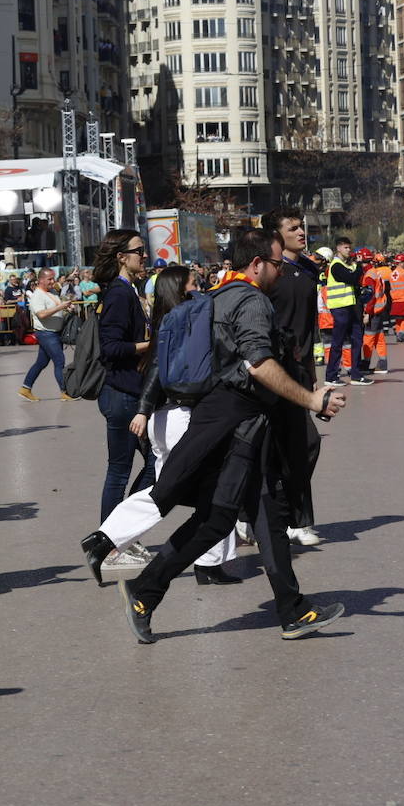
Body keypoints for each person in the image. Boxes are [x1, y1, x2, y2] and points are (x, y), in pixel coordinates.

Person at [118, 229, 349, 643]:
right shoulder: (252, 300)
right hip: (240, 427)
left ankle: (289, 609)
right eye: (278, 264)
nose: (282, 271)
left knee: (247, 518)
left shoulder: (219, 296)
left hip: (228, 423)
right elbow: (258, 364)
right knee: (228, 518)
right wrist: (312, 401)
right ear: (258, 263)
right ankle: (146, 589)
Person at [80, 266, 239, 583]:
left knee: (210, 489)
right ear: (180, 290)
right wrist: (143, 409)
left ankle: (209, 563)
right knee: (172, 492)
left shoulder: (172, 320)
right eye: (194, 283)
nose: (200, 287)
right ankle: (105, 539)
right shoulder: (182, 323)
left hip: (169, 418)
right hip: (177, 418)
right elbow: (155, 372)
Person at [260, 207, 324, 546]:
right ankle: (265, 514)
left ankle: (295, 520)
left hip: (298, 370)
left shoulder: (309, 269)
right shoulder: (270, 273)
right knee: (291, 444)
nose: (302, 232)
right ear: (275, 235)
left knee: (302, 443)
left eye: (303, 227)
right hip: (270, 369)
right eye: (294, 228)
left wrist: (312, 375)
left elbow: (308, 328)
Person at [93, 229, 156, 527]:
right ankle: (109, 541)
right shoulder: (119, 293)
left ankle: (120, 529)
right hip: (121, 393)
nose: (144, 256)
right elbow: (111, 348)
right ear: (121, 257)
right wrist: (152, 345)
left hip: (131, 390)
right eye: (138, 251)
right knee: (120, 470)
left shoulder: (129, 289)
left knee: (155, 465)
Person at [18, 268, 78, 401]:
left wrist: (69, 278)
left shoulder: (51, 291)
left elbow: (60, 286)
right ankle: (65, 392)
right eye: (49, 279)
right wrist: (60, 307)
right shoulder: (37, 296)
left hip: (53, 333)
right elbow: (41, 314)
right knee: (59, 361)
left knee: (41, 363)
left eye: (53, 278)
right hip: (46, 334)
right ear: (41, 280)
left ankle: (25, 388)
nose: (53, 281)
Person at [324, 237, 369, 387]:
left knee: (357, 339)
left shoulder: (347, 265)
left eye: (350, 248)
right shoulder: (336, 266)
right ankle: (331, 376)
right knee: (338, 342)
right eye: (345, 248)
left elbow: (355, 281)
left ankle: (356, 374)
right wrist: (360, 267)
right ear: (338, 248)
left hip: (352, 307)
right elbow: (352, 278)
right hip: (340, 308)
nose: (349, 250)